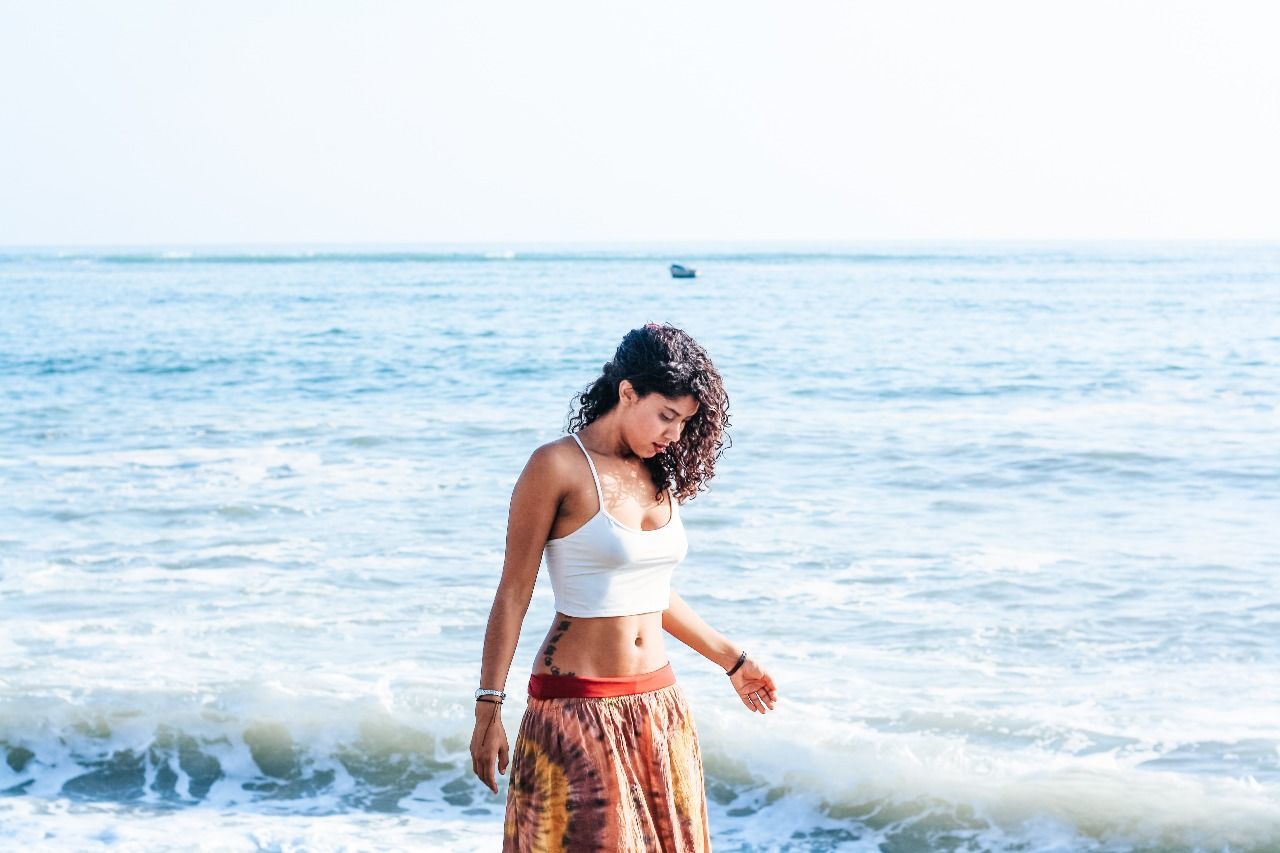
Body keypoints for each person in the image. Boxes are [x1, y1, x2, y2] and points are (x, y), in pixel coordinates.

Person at [470, 322, 779, 851]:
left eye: (684, 422)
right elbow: (513, 592)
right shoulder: (557, 466)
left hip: (659, 708)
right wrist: (488, 707)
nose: (674, 435)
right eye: (666, 415)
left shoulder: (658, 471)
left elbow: (649, 592)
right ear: (627, 391)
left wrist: (731, 658)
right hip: (576, 709)